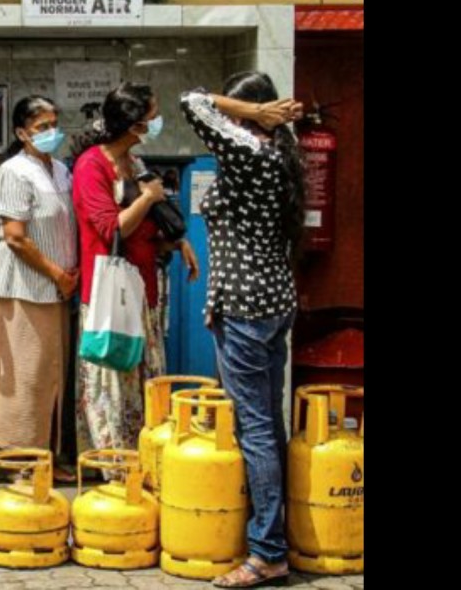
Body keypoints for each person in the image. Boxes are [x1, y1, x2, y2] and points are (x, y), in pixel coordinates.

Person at [182, 73, 306, 589]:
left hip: (246, 307)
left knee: (255, 429)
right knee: (268, 424)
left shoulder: (248, 151)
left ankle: (267, 552)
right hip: (273, 300)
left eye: (238, 109)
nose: (228, 118)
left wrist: (250, 113)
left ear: (253, 111)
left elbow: (193, 100)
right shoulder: (281, 154)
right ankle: (275, 535)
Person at [68, 81, 199, 453]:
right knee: (112, 380)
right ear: (134, 125)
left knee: (144, 380)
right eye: (152, 116)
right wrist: (148, 197)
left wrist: (176, 241)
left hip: (143, 289)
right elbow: (112, 227)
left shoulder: (134, 162)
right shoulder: (91, 165)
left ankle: (144, 455)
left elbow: (145, 227)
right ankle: (113, 461)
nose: (157, 122)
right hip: (110, 295)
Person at [0, 95, 77, 480]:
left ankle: (44, 458)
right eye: (42, 127)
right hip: (24, 286)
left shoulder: (60, 169)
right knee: (24, 376)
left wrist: (65, 275)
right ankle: (17, 461)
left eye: (54, 124)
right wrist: (57, 273)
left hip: (58, 286)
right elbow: (15, 237)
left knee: (50, 373)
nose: (51, 132)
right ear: (22, 133)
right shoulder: (14, 171)